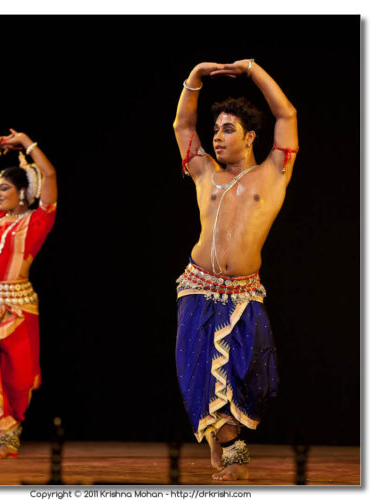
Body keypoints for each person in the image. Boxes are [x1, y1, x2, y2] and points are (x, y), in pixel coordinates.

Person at [173, 59, 298, 481]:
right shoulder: (204, 172)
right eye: (216, 129)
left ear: (250, 138)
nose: (217, 136)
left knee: (250, 374)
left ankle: (226, 442)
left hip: (243, 292)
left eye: (228, 129)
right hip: (196, 286)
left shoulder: (273, 174)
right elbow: (182, 128)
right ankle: (232, 452)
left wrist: (251, 69)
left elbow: (287, 114)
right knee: (198, 372)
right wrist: (194, 78)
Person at [0, 129, 57, 459]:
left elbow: (48, 174)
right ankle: (5, 435)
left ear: (23, 193)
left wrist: (28, 144)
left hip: (18, 305)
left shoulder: (37, 220)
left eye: (6, 188)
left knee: (18, 374)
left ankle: (13, 426)